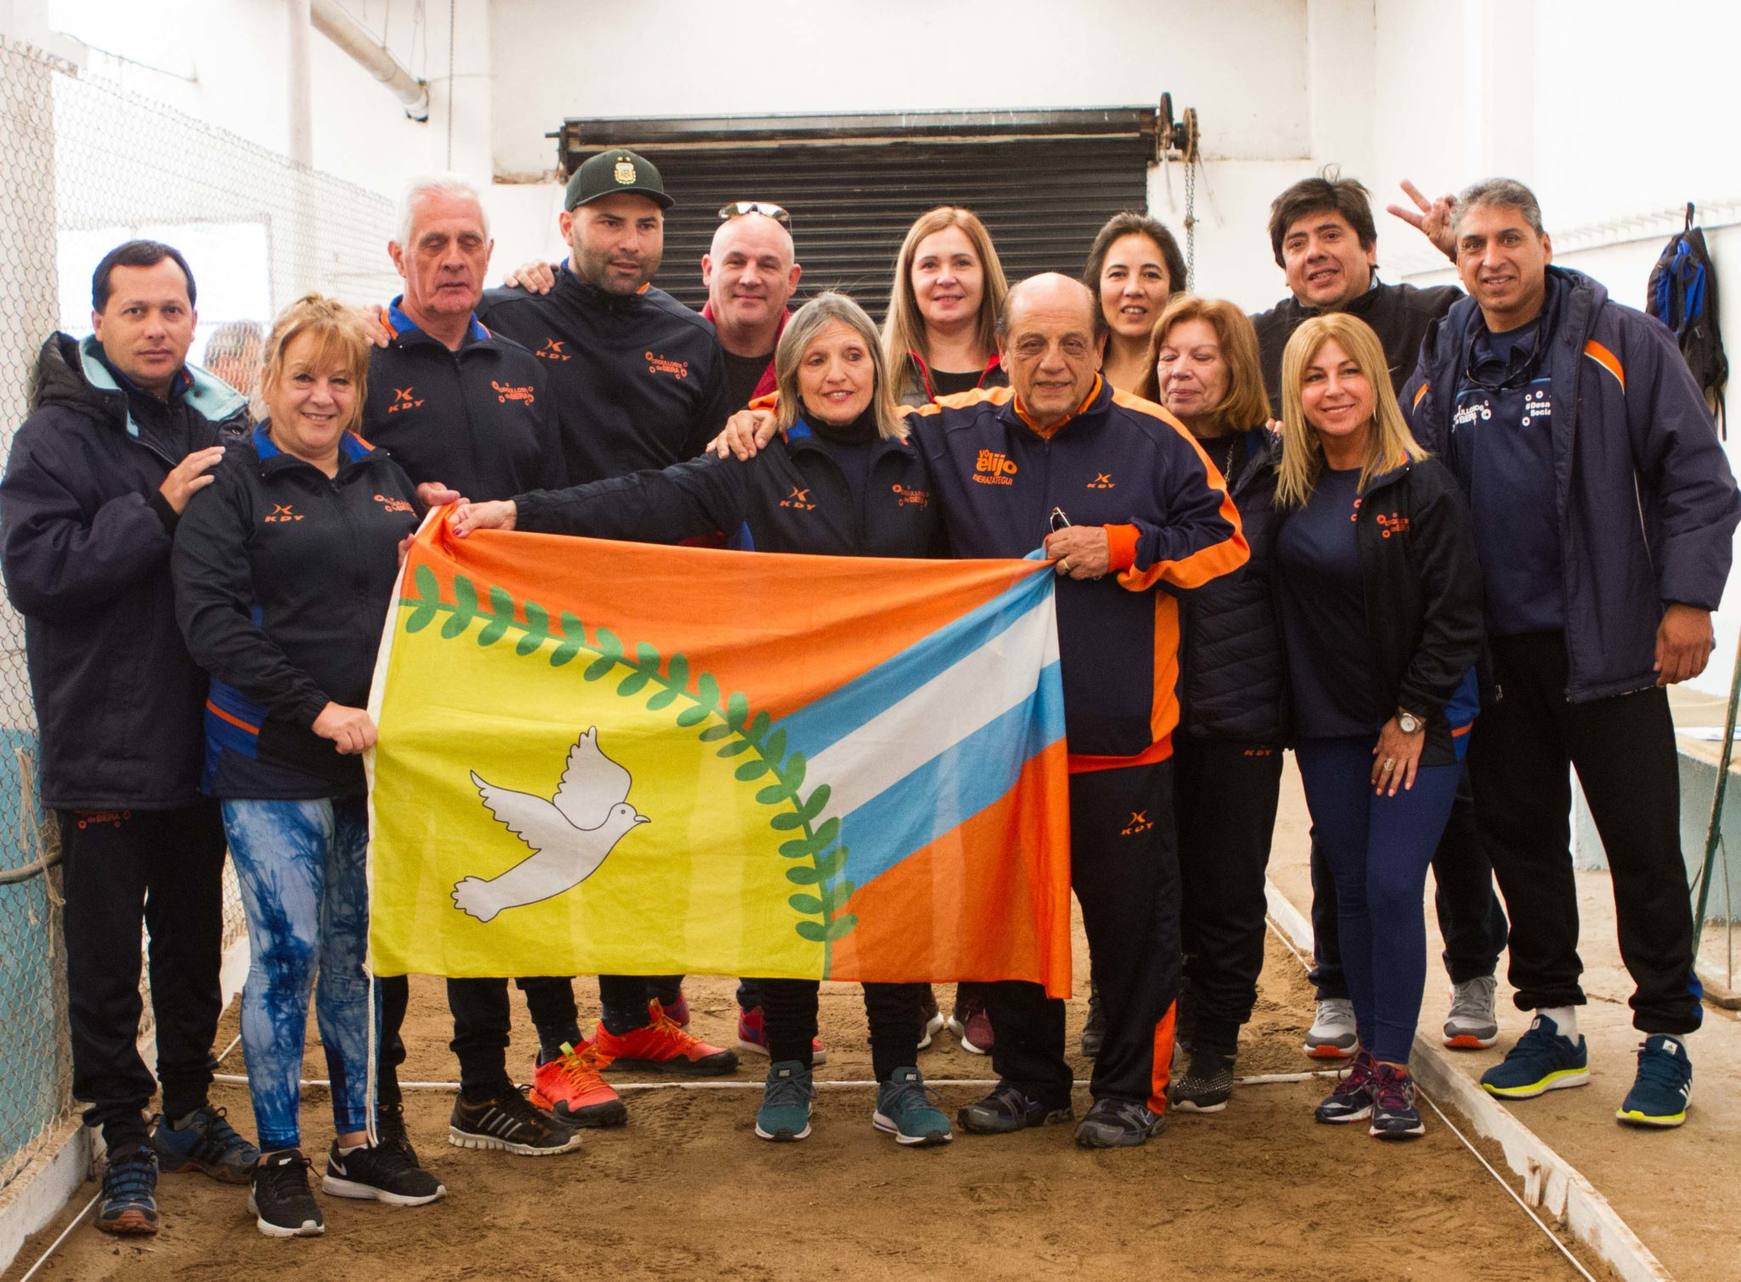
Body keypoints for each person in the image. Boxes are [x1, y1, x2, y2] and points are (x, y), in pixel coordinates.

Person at [719, 275, 1250, 1145]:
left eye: (1071, 344)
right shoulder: (951, 428)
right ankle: (1029, 1080)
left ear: (1099, 346)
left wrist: (1126, 546)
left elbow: (1225, 539)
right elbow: (850, 407)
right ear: (1005, 344)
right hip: (997, 741)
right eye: (1032, 344)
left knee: (1130, 932)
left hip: (1117, 743)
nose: (1051, 363)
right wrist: (763, 415)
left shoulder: (1155, 436)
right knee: (1010, 924)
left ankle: (1127, 1091)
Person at [450, 292, 952, 1147]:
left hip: (896, 721)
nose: (838, 374)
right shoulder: (752, 460)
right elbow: (640, 501)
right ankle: (789, 1061)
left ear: (882, 365)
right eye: (817, 360)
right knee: (789, 890)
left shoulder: (926, 458)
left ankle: (897, 1073)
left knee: (888, 896)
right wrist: (517, 514)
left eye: (854, 356)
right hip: (780, 723)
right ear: (788, 378)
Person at [1405, 178, 1741, 1128]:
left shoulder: (1621, 339)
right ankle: (1552, 1020)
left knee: (1639, 848)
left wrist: (1686, 601)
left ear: (1544, 244)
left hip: (1611, 645)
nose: (1491, 259)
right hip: (1494, 656)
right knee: (1521, 841)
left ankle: (1665, 1034)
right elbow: (1406, 473)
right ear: (1456, 258)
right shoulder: (1446, 350)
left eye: (1509, 239)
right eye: (1473, 245)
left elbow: (1696, 478)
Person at [0, 240, 259, 1235]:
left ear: (196, 321)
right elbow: (38, 571)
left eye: (173, 309)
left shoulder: (218, 424)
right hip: (105, 740)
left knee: (193, 940)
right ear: (99, 323)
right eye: (135, 310)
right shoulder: (55, 438)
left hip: (202, 737)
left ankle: (190, 1109)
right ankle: (125, 1141)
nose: (157, 326)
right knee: (108, 959)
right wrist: (154, 508)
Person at [172, 294, 444, 1235]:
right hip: (269, 762)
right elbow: (208, 624)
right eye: (303, 378)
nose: (322, 397)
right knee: (284, 954)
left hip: (371, 768)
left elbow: (418, 596)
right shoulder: (232, 484)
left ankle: (360, 1144)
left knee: (358, 958)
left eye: (340, 380)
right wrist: (316, 709)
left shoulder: (386, 477)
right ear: (268, 382)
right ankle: (280, 1153)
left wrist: (441, 532)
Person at [474, 145, 739, 1076]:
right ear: (566, 227)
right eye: (608, 221)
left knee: (636, 815)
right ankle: (555, 1047)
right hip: (531, 616)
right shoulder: (507, 311)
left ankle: (631, 1016)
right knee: (548, 826)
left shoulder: (690, 339)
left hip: (649, 616)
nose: (628, 242)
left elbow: (711, 479)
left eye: (646, 224)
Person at [364, 176, 609, 1155]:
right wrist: (396, 508)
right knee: (395, 880)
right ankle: (371, 1104)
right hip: (403, 667)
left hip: (511, 661)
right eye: (433, 242)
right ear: (398, 257)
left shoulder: (523, 361)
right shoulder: (365, 360)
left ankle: (489, 1080)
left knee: (506, 861)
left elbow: (546, 501)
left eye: (469, 240)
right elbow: (328, 466)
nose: (453, 258)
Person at [1251, 169, 1507, 1059]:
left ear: (1367, 246)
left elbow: (1505, 305)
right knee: (1346, 860)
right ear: (1281, 266)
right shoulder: (1259, 347)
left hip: (1421, 657)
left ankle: (1472, 969)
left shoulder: (1434, 311)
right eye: (1295, 243)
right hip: (1330, 683)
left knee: (1447, 834)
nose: (1314, 253)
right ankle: (1344, 999)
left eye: (1331, 236)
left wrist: (1461, 245)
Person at [1274, 312, 1483, 1141]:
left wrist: (1410, 715)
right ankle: (1367, 1056)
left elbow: (1456, 613)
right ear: (1295, 394)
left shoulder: (1420, 484)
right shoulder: (1284, 485)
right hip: (1325, 726)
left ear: (1376, 382)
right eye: (1314, 376)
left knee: (1396, 886)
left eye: (1348, 371)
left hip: (1414, 725)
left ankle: (1394, 1069)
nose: (1333, 389)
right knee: (1353, 889)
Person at [1137, 295, 1284, 1113]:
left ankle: (1215, 1041)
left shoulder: (1274, 463)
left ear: (1234, 368)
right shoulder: (1138, 451)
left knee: (1227, 889)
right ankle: (1149, 1018)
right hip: (1146, 712)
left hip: (1239, 714)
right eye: (1169, 357)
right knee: (1152, 886)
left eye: (1200, 356)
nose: (1180, 371)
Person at [883, 205, 1011, 409]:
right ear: (909, 281)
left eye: (961, 263)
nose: (945, 278)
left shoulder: (1020, 370)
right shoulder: (877, 374)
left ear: (986, 274)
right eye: (929, 265)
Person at [1084, 211, 1186, 393]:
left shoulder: (1190, 376)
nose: (1133, 289)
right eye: (1118, 274)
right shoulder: (1077, 376)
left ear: (1173, 289)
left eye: (1150, 275)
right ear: (1097, 291)